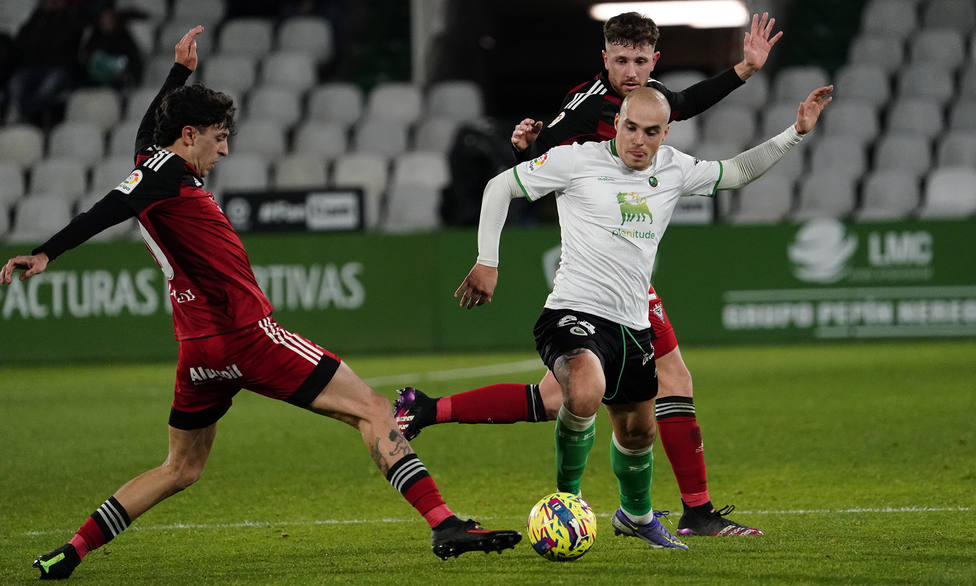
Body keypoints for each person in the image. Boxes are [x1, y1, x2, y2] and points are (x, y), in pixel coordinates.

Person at [4, 26, 520, 580]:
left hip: (197, 349)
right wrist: (46, 254)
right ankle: (445, 523)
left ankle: (70, 553)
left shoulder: (158, 167)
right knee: (370, 408)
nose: (224, 150)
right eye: (219, 137)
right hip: (248, 334)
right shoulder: (164, 178)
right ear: (189, 135)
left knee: (180, 467)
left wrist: (179, 72)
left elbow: (142, 140)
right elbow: (109, 206)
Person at [395, 11, 781, 537]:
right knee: (648, 385)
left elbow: (687, 105)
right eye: (621, 60)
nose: (631, 72)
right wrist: (524, 145)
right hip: (593, 264)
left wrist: (744, 70)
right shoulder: (589, 105)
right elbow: (541, 153)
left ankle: (428, 409)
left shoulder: (654, 102)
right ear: (605, 59)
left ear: (654, 61)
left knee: (569, 396)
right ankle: (682, 510)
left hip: (628, 273)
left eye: (640, 61)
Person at [453, 84, 832, 550]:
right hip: (572, 310)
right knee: (585, 388)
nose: (638, 140)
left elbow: (735, 172)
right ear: (617, 124)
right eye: (630, 127)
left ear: (665, 132)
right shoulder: (577, 160)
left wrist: (796, 132)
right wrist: (487, 260)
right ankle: (566, 503)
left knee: (637, 431)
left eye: (651, 132)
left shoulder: (674, 168)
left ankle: (635, 516)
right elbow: (500, 186)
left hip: (632, 326)